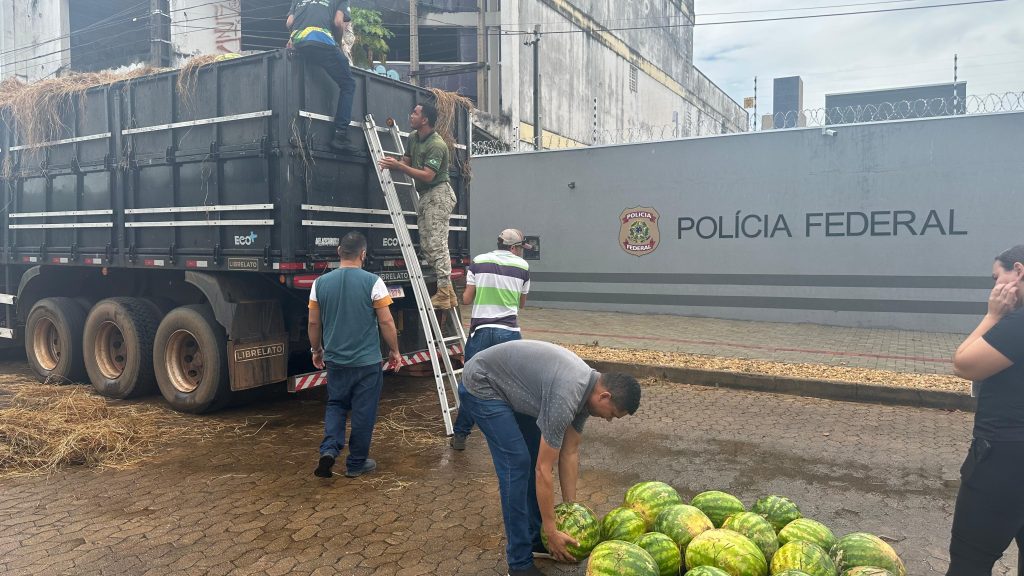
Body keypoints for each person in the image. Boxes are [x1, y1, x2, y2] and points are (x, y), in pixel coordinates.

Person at [459, 340, 642, 576]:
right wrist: (552, 528)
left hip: (513, 389)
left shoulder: (587, 393)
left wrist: (570, 516)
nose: (608, 420)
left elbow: (570, 453)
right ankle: (519, 563)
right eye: (613, 415)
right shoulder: (567, 396)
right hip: (482, 384)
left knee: (534, 454)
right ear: (604, 396)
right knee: (518, 464)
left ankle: (536, 540)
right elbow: (543, 470)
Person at [947, 244, 1024, 575]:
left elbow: (964, 364)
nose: (993, 286)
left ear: (1018, 272)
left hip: (1004, 460)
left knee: (970, 560)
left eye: (997, 277)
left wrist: (992, 315)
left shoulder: (1016, 324)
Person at [308, 231, 403, 479]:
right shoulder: (373, 282)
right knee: (364, 411)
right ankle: (356, 464)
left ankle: (329, 450)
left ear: (338, 252)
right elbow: (386, 321)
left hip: (336, 361)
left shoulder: (319, 284)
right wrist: (394, 351)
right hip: (367, 363)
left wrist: (316, 350)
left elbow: (313, 324)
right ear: (363, 254)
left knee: (336, 404)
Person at [449, 228, 533, 451]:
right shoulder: (522, 267)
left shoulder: (478, 261)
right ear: (513, 248)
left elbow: (466, 299)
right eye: (520, 249)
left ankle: (460, 435)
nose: (521, 254)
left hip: (481, 332)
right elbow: (521, 304)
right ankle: (518, 435)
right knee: (514, 385)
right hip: (509, 333)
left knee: (471, 383)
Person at [378, 102, 457, 309]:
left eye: (415, 113)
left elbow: (428, 175)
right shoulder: (413, 138)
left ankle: (443, 291)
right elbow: (406, 161)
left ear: (425, 120)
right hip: (426, 195)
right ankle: (448, 292)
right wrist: (394, 163)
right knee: (427, 245)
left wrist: (399, 167)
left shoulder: (436, 144)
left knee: (437, 243)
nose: (411, 115)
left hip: (439, 193)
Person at [286, 0, 358, 154]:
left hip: (299, 43)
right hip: (322, 44)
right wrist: (337, 44)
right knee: (348, 85)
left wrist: (295, 38)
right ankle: (340, 136)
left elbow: (289, 22)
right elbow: (338, 23)